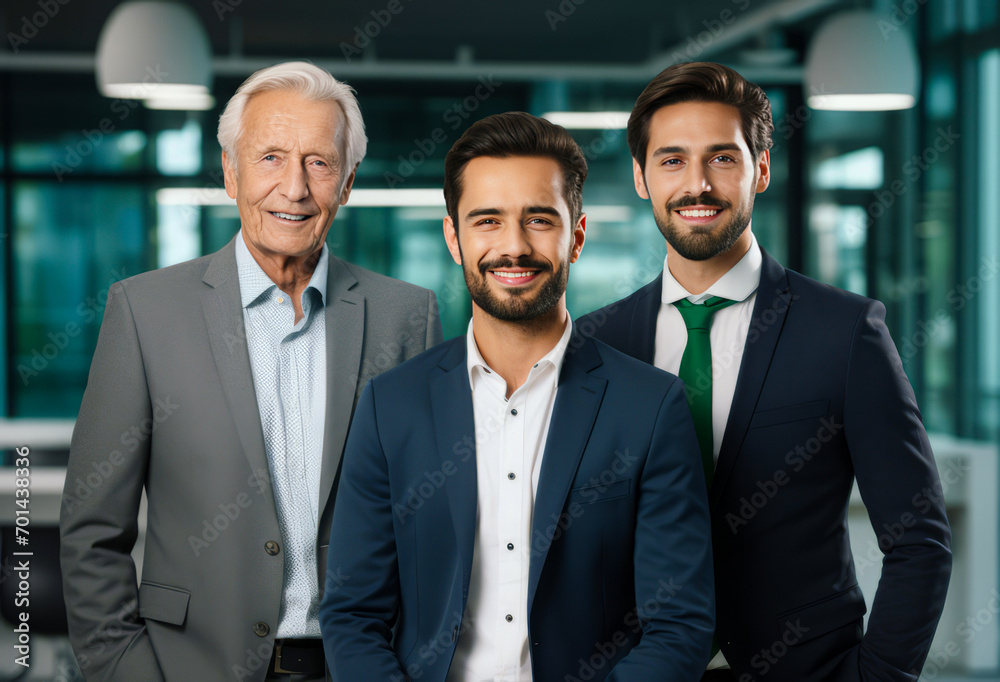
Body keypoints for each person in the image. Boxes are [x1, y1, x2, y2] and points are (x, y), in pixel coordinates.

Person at [59, 61, 442, 681]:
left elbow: (432, 529)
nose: (294, 188)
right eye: (269, 158)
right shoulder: (145, 312)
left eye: (319, 162)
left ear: (347, 182)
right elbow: (90, 534)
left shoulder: (408, 317)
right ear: (230, 173)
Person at [577, 62, 952, 681]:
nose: (697, 184)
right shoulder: (596, 344)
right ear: (642, 178)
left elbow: (919, 543)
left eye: (722, 158)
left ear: (763, 168)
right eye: (672, 160)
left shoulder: (845, 332)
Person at [319, 111, 714, 681]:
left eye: (539, 219)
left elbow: (679, 625)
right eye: (487, 220)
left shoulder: (650, 407)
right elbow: (354, 616)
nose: (514, 246)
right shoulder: (391, 407)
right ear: (454, 238)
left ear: (576, 236)